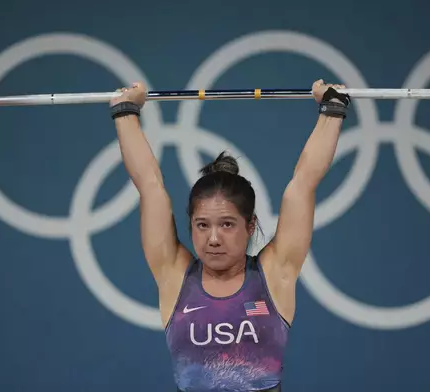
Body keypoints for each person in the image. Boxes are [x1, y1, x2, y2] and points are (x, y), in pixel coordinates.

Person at [109, 79, 351, 392]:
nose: (213, 239)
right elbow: (149, 186)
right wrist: (125, 112)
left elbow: (304, 182)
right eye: (202, 225)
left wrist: (332, 109)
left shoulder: (275, 273)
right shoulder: (173, 273)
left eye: (226, 225)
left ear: (250, 225)